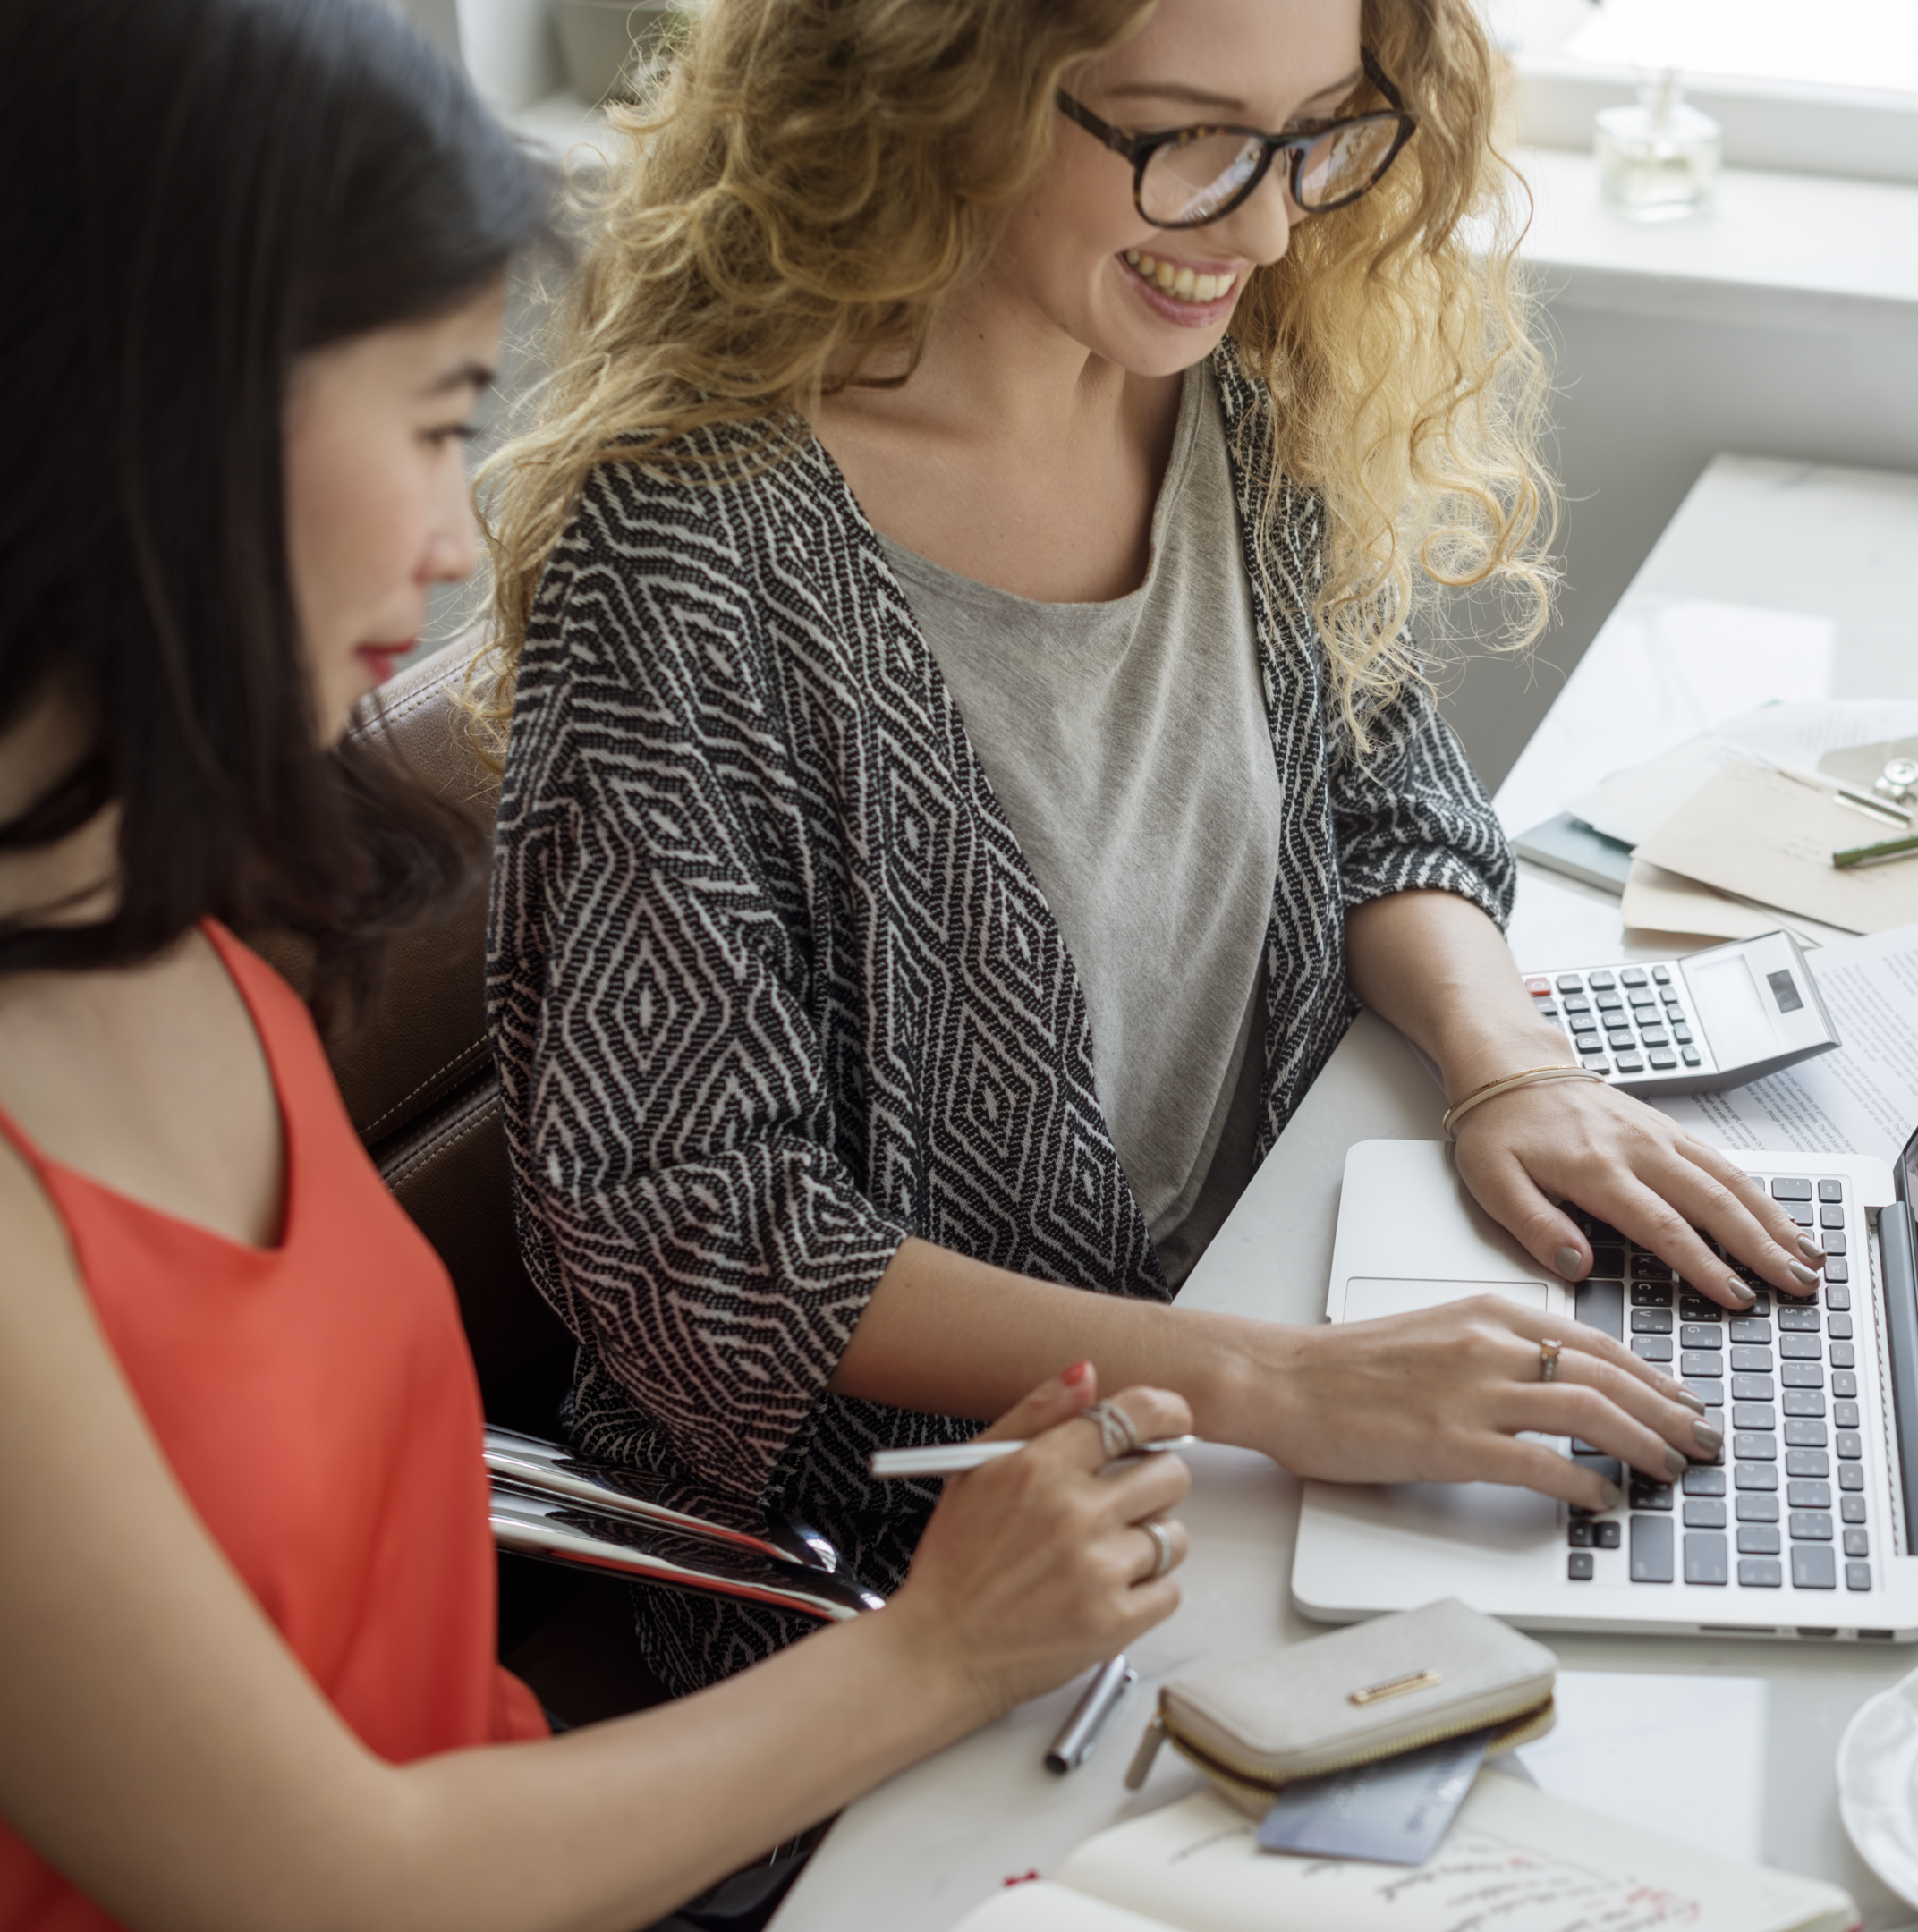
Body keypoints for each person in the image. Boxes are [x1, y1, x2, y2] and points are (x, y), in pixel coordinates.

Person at [481, 0, 1830, 1699]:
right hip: (932, 1559)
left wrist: (1509, 1071)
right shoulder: (691, 556)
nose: (1265, 227)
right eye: (1189, 139)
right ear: (936, 86)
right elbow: (687, 1227)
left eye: (1314, 134)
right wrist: (1272, 1386)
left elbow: (1382, 785)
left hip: (1283, 1331)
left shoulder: (1229, 386)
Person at [0, 4, 1191, 1927]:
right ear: (151, 416)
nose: (455, 534)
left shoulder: (182, 916)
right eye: (423, 419)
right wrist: (936, 1650)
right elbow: (332, 1883)